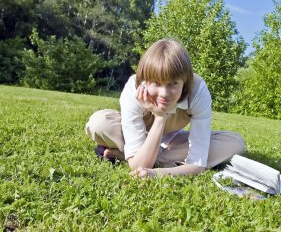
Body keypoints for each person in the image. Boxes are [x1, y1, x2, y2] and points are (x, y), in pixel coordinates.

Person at [85, 39, 245, 178]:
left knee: (235, 143)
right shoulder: (133, 89)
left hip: (174, 140)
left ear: (185, 82)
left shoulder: (198, 91)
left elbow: (197, 163)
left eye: (173, 83)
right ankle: (154, 155)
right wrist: (160, 117)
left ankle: (133, 154)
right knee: (99, 123)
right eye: (156, 83)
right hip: (139, 133)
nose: (164, 94)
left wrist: (156, 173)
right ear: (145, 81)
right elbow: (139, 165)